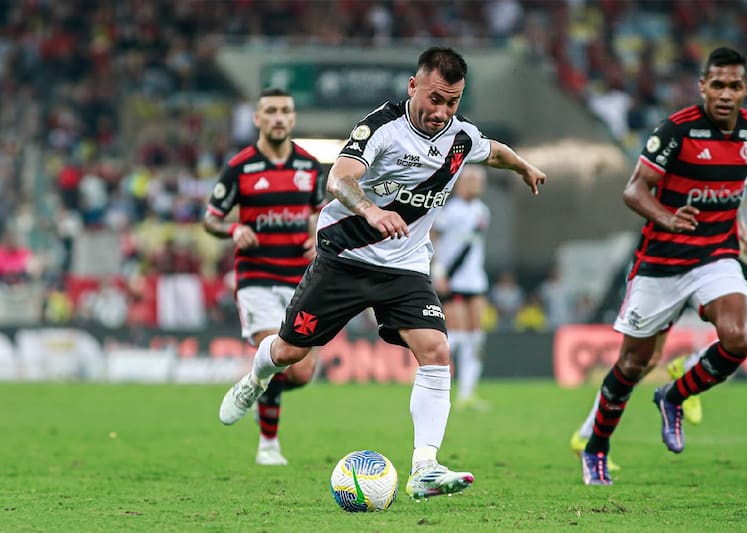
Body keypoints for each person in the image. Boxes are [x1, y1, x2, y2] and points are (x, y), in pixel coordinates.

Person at [218, 47, 546, 498]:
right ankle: (255, 378)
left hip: (405, 268)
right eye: (435, 99)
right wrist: (371, 210)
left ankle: (425, 467)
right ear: (414, 86)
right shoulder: (381, 127)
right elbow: (339, 179)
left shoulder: (460, 136)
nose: (441, 111)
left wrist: (524, 165)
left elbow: (494, 152)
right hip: (346, 257)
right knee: (290, 353)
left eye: (452, 102)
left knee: (435, 351)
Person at [579, 47, 747, 485]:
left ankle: (674, 396)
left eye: (734, 85)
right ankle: (596, 446)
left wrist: (740, 225)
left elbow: (729, 183)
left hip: (716, 255)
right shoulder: (676, 129)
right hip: (661, 262)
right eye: (717, 84)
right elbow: (634, 191)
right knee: (632, 364)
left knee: (740, 337)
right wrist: (669, 217)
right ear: (703, 86)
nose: (725, 93)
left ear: (745, 89)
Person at [570, 151, 747, 471]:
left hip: (718, 257)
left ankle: (689, 365)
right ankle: (587, 435)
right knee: (642, 360)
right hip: (670, 261)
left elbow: (722, 195)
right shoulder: (685, 141)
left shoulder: (737, 141)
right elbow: (690, 180)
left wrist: (740, 226)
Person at [204, 88, 326, 466]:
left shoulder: (309, 166)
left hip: (301, 279)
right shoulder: (240, 167)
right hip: (256, 276)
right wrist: (232, 231)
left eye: (285, 111)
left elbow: (322, 214)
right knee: (277, 351)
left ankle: (252, 381)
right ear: (257, 119)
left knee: (302, 371)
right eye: (270, 111)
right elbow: (210, 218)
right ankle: (268, 446)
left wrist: (317, 237)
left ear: (292, 119)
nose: (278, 117)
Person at [431, 164, 490, 410]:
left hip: (475, 281)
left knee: (476, 338)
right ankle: (434, 385)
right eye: (470, 179)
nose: (475, 184)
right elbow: (433, 236)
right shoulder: (448, 211)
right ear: (459, 182)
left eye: (479, 180)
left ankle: (467, 394)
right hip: (451, 280)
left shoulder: (483, 211)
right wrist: (438, 272)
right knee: (455, 335)